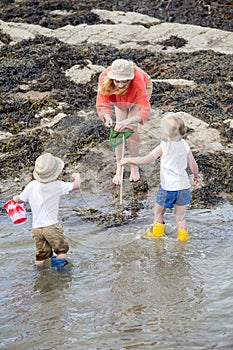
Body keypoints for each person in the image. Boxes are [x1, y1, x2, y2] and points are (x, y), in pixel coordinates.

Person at [121, 112, 201, 240]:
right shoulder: (185, 146)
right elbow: (194, 165)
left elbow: (146, 159)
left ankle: (156, 238)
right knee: (180, 218)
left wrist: (128, 160)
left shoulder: (163, 147)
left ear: (166, 133)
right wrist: (196, 176)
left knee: (158, 214)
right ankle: (182, 244)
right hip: (183, 187)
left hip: (168, 187)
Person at [13, 152, 81, 270]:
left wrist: (15, 198)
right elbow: (76, 186)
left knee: (41, 256)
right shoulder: (58, 185)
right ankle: (60, 275)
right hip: (52, 227)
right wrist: (77, 176)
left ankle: (40, 274)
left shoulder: (31, 185)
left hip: (37, 229)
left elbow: (19, 200)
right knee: (61, 251)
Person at [96, 58, 153, 185]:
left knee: (131, 128)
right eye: (117, 81)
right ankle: (119, 165)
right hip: (119, 97)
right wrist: (107, 117)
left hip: (141, 88)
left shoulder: (137, 79)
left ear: (129, 78)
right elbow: (102, 104)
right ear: (111, 78)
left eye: (124, 81)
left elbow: (144, 110)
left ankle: (134, 165)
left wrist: (128, 121)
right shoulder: (104, 78)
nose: (121, 85)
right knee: (118, 130)